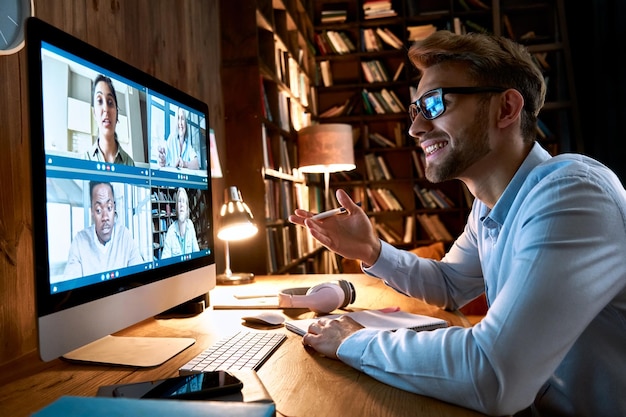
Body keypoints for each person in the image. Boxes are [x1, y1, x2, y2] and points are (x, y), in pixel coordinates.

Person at [289, 30, 626, 417]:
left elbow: (495, 376)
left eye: (433, 104)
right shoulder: (488, 206)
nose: (416, 129)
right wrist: (371, 251)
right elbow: (451, 284)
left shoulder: (572, 194)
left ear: (505, 109)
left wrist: (353, 342)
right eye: (415, 111)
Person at [64, 181, 144, 279]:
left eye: (109, 207)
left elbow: (140, 278)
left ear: (114, 208)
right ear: (92, 212)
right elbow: (70, 286)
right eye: (98, 210)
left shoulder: (124, 235)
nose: (105, 217)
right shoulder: (80, 241)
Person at [85, 74, 135, 166]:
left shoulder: (129, 163)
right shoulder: (84, 160)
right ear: (94, 113)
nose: (106, 109)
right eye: (99, 101)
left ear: (116, 113)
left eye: (110, 102)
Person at [161, 187, 199, 258]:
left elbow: (196, 253)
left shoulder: (190, 225)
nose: (181, 204)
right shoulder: (171, 231)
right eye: (179, 201)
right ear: (176, 207)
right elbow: (165, 259)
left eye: (184, 201)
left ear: (187, 207)